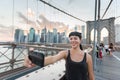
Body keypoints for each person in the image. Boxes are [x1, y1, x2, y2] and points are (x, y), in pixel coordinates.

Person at [24, 31, 95, 80]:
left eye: (75, 38)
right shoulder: (65, 53)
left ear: (80, 40)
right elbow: (52, 59)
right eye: (71, 39)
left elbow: (91, 77)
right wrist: (33, 57)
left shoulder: (88, 57)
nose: (73, 40)